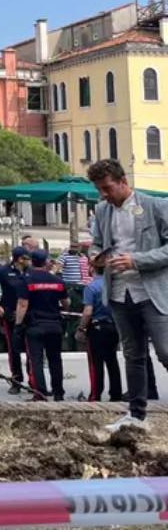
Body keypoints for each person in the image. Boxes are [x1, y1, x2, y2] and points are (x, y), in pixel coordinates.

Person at [88, 159, 168, 431]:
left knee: (165, 351)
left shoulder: (155, 205)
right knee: (133, 355)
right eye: (100, 190)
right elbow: (97, 243)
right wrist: (95, 256)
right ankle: (136, 416)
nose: (104, 195)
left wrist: (137, 260)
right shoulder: (101, 211)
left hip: (152, 291)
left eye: (107, 188)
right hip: (119, 293)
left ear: (123, 182)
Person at [14, 249, 68, 402]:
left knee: (36, 360)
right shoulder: (58, 281)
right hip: (55, 325)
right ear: (46, 263)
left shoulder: (27, 281)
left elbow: (22, 304)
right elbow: (66, 303)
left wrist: (18, 325)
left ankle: (41, 394)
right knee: (55, 360)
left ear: (32, 262)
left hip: (35, 325)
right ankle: (58, 393)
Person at [0, 246, 31, 394]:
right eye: (26, 258)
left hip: (28, 315)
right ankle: (16, 380)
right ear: (19, 259)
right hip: (9, 314)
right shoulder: (3, 271)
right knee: (13, 348)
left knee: (31, 349)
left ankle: (33, 380)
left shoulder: (31, 272)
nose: (29, 261)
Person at [77, 262, 122, 402]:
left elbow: (88, 311)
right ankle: (116, 394)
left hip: (97, 328)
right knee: (112, 361)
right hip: (113, 327)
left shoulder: (91, 287)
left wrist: (81, 328)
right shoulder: (113, 285)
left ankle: (95, 395)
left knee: (95, 363)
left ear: (92, 268)